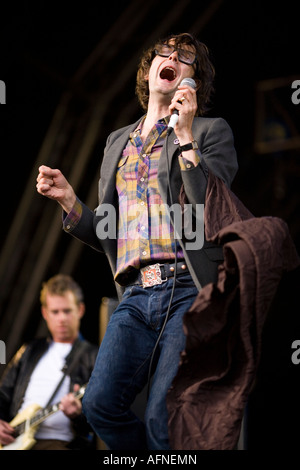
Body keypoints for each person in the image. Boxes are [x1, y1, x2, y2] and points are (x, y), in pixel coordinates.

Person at [36, 32, 238, 450]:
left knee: (161, 418)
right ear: (148, 72)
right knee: (98, 405)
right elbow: (112, 233)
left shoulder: (209, 131)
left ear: (192, 82)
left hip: (188, 290)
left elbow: (210, 207)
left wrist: (185, 138)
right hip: (134, 295)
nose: (173, 58)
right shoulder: (117, 142)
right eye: (165, 53)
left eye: (185, 59)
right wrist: (70, 201)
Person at [0, 274, 98, 450]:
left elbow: (101, 417)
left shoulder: (94, 356)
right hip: (15, 441)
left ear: (80, 310)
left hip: (60, 442)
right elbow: (3, 394)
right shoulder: (30, 350)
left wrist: (78, 415)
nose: (61, 318)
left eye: (67, 311)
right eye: (55, 311)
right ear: (45, 313)